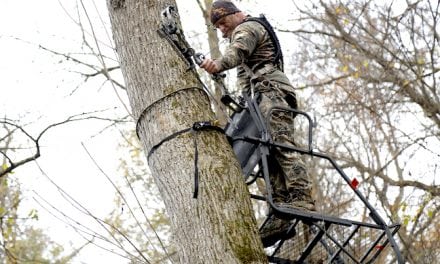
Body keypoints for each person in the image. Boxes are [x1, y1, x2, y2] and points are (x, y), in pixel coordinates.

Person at [200, 0, 315, 248]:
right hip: (261, 98)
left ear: (234, 14)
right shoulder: (241, 29)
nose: (222, 30)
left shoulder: (248, 28)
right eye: (217, 26)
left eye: (222, 22)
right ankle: (281, 213)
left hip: (271, 94)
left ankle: (301, 197)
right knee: (268, 153)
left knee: (282, 145)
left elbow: (237, 51)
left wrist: (217, 64)